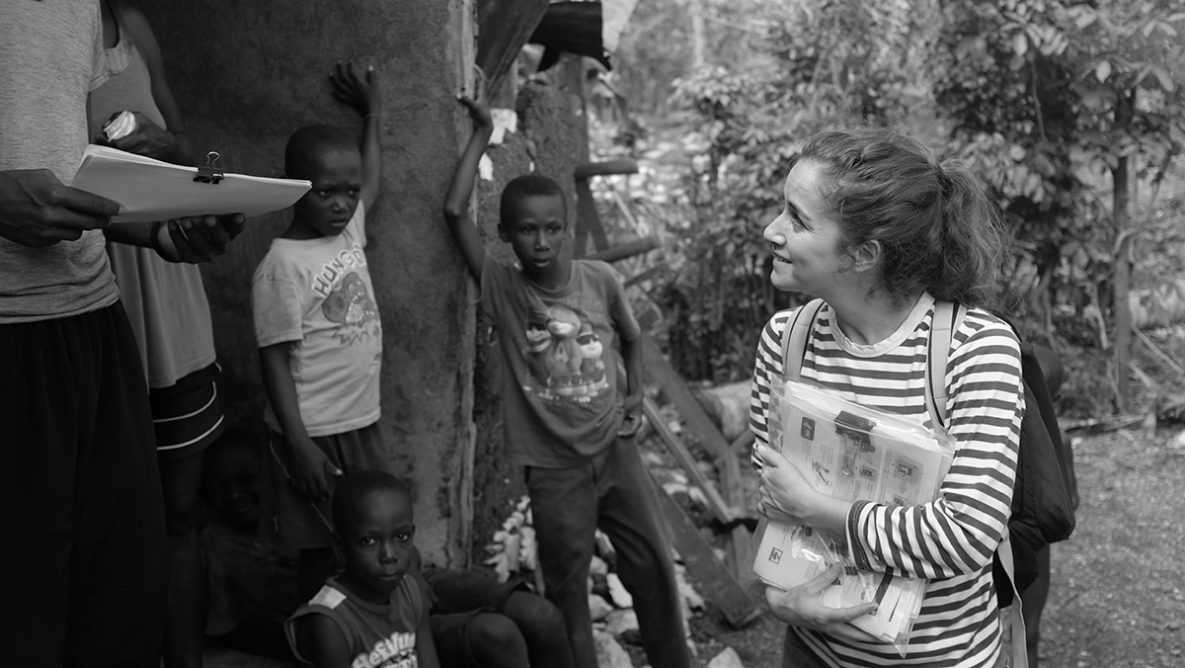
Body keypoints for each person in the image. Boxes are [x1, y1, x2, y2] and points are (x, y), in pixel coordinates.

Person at [0, 3, 242, 665]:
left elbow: (65, 169)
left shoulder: (78, 10)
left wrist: (163, 226)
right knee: (21, 614)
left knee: (116, 600)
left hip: (93, 320)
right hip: (10, 336)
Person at [748, 130, 1026, 667]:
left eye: (797, 219)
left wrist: (821, 510)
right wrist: (782, 599)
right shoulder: (786, 342)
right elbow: (774, 503)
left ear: (863, 254)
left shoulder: (974, 350)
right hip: (814, 652)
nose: (771, 231)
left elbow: (966, 535)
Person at [442, 95, 690, 668]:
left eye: (553, 228)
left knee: (652, 566)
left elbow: (631, 337)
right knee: (568, 590)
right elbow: (455, 214)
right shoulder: (504, 290)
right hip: (554, 471)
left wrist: (634, 397)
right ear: (506, 234)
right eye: (528, 231)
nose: (543, 241)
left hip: (616, 451)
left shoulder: (599, 281)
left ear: (567, 227)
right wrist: (481, 134)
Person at [90, 2, 226, 666]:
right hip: (84, 301)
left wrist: (168, 148)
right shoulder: (29, 37)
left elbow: (189, 153)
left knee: (180, 508)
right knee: (96, 521)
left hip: (167, 298)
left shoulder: (134, 29)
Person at [202, 430, 574, 668]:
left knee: (541, 616)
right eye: (222, 487)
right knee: (498, 635)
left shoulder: (318, 498)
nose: (236, 495)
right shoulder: (224, 552)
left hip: (410, 589)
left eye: (247, 481)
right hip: (373, 612)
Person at [252, 62, 388, 593]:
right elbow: (274, 358)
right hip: (313, 431)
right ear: (294, 188)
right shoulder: (282, 265)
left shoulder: (349, 229)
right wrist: (300, 444)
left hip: (361, 420)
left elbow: (372, 177)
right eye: (326, 192)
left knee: (369, 533)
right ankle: (317, 637)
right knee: (316, 546)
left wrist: (374, 112)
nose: (342, 204)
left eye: (347, 194)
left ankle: (364, 632)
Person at [286, 471, 440, 668]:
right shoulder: (331, 622)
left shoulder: (410, 591)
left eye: (402, 537)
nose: (389, 555)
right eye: (369, 541)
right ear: (341, 548)